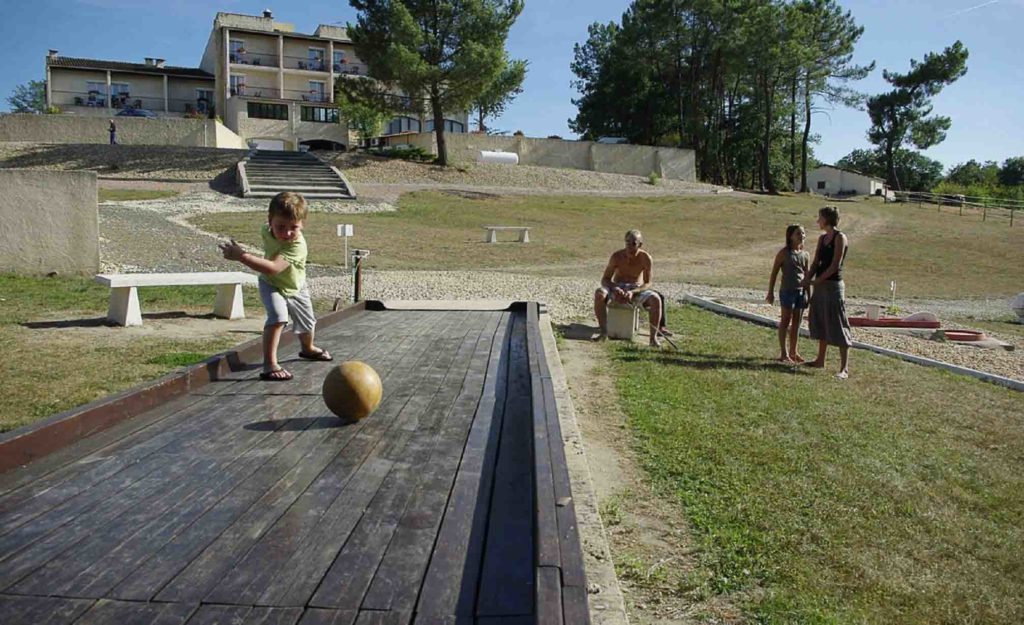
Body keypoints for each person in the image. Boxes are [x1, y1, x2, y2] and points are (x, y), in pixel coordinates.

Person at [219, 191, 332, 381]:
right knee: (278, 317)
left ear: (302, 225)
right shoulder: (266, 230)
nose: (287, 233)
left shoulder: (297, 246)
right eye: (280, 227)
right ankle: (270, 364)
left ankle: (307, 348)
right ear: (269, 221)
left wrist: (241, 256)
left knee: (308, 323)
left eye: (293, 228)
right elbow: (269, 273)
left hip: (295, 286)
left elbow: (273, 267)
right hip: (270, 284)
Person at [801, 206, 853, 379]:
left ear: (828, 219)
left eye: (820, 217)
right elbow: (816, 261)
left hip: (833, 286)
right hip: (820, 284)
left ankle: (844, 368)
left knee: (838, 322)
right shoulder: (822, 238)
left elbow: (835, 265)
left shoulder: (840, 237)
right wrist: (808, 278)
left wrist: (819, 280)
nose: (818, 221)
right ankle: (820, 360)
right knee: (821, 319)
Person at [593, 229, 665, 347]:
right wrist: (615, 287)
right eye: (627, 243)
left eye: (633, 244)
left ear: (640, 245)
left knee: (656, 299)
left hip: (635, 287)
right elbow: (605, 279)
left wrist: (633, 292)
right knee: (599, 293)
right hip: (618, 286)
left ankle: (653, 338)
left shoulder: (645, 258)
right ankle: (604, 332)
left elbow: (647, 283)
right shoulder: (616, 256)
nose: (629, 247)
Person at [766, 225, 810, 362]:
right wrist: (770, 292)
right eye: (798, 233)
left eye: (803, 233)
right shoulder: (784, 253)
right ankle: (783, 353)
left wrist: (809, 294)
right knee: (785, 321)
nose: (801, 236)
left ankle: (793, 351)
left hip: (801, 293)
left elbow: (807, 275)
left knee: (797, 322)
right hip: (787, 291)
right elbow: (774, 273)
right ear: (790, 236)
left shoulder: (805, 255)